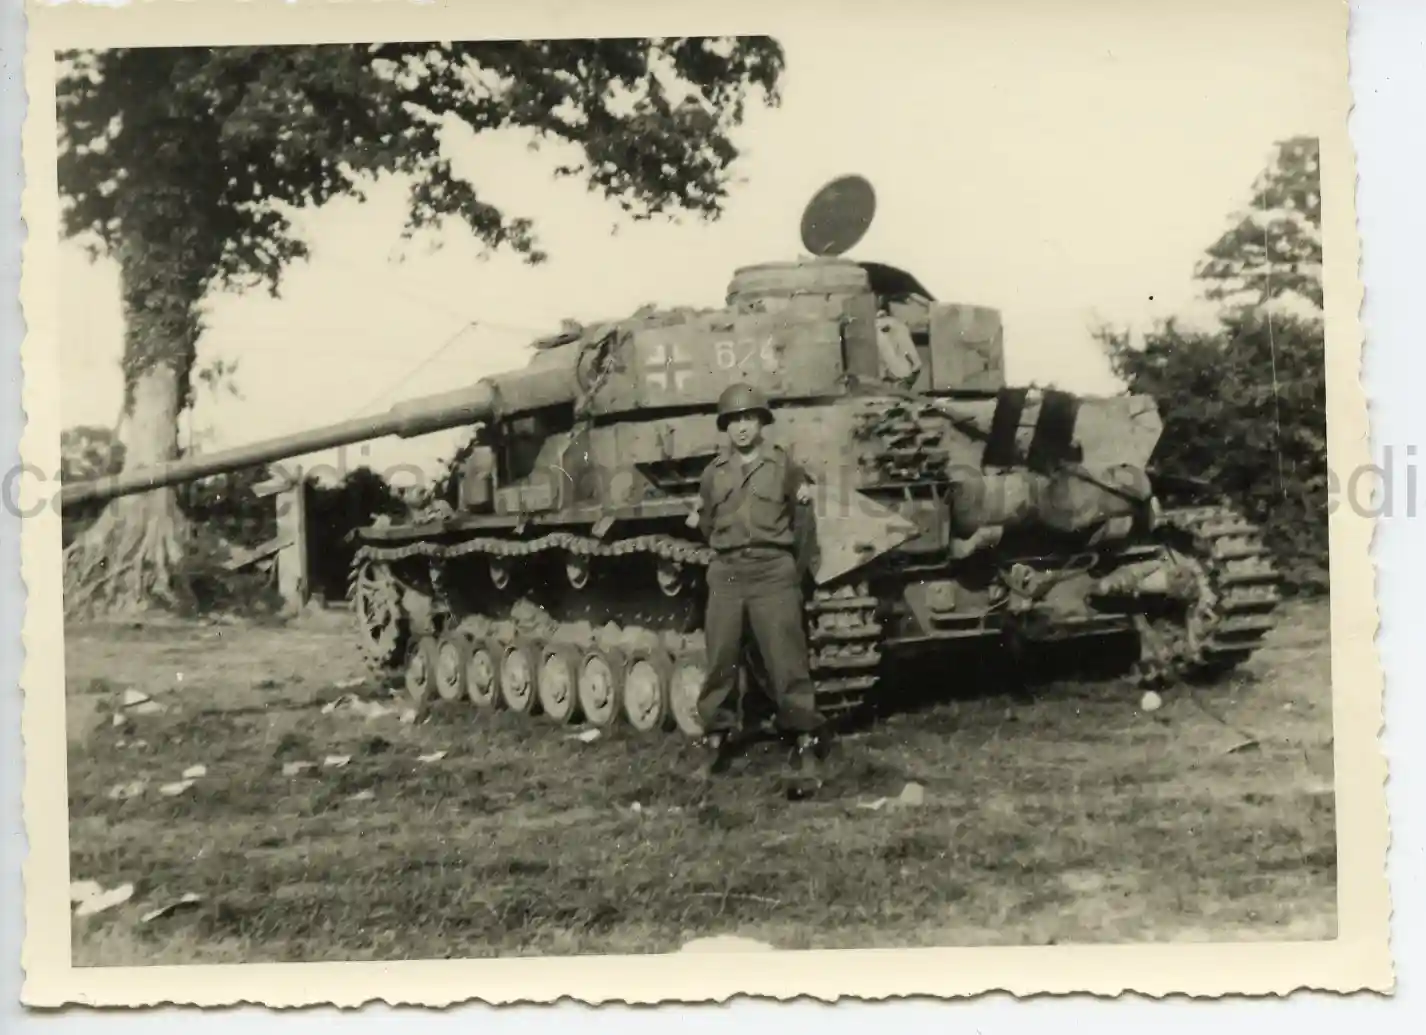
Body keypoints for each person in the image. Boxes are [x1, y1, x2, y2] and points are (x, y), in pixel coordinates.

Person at [685, 382, 830, 796]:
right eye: (734, 420)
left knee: (787, 661)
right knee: (721, 658)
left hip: (772, 572)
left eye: (749, 418)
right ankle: (715, 740)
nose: (742, 427)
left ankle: (804, 739)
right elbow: (708, 525)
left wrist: (788, 574)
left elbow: (804, 527)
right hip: (728, 573)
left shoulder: (785, 467)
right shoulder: (713, 473)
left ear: (762, 422)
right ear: (725, 427)